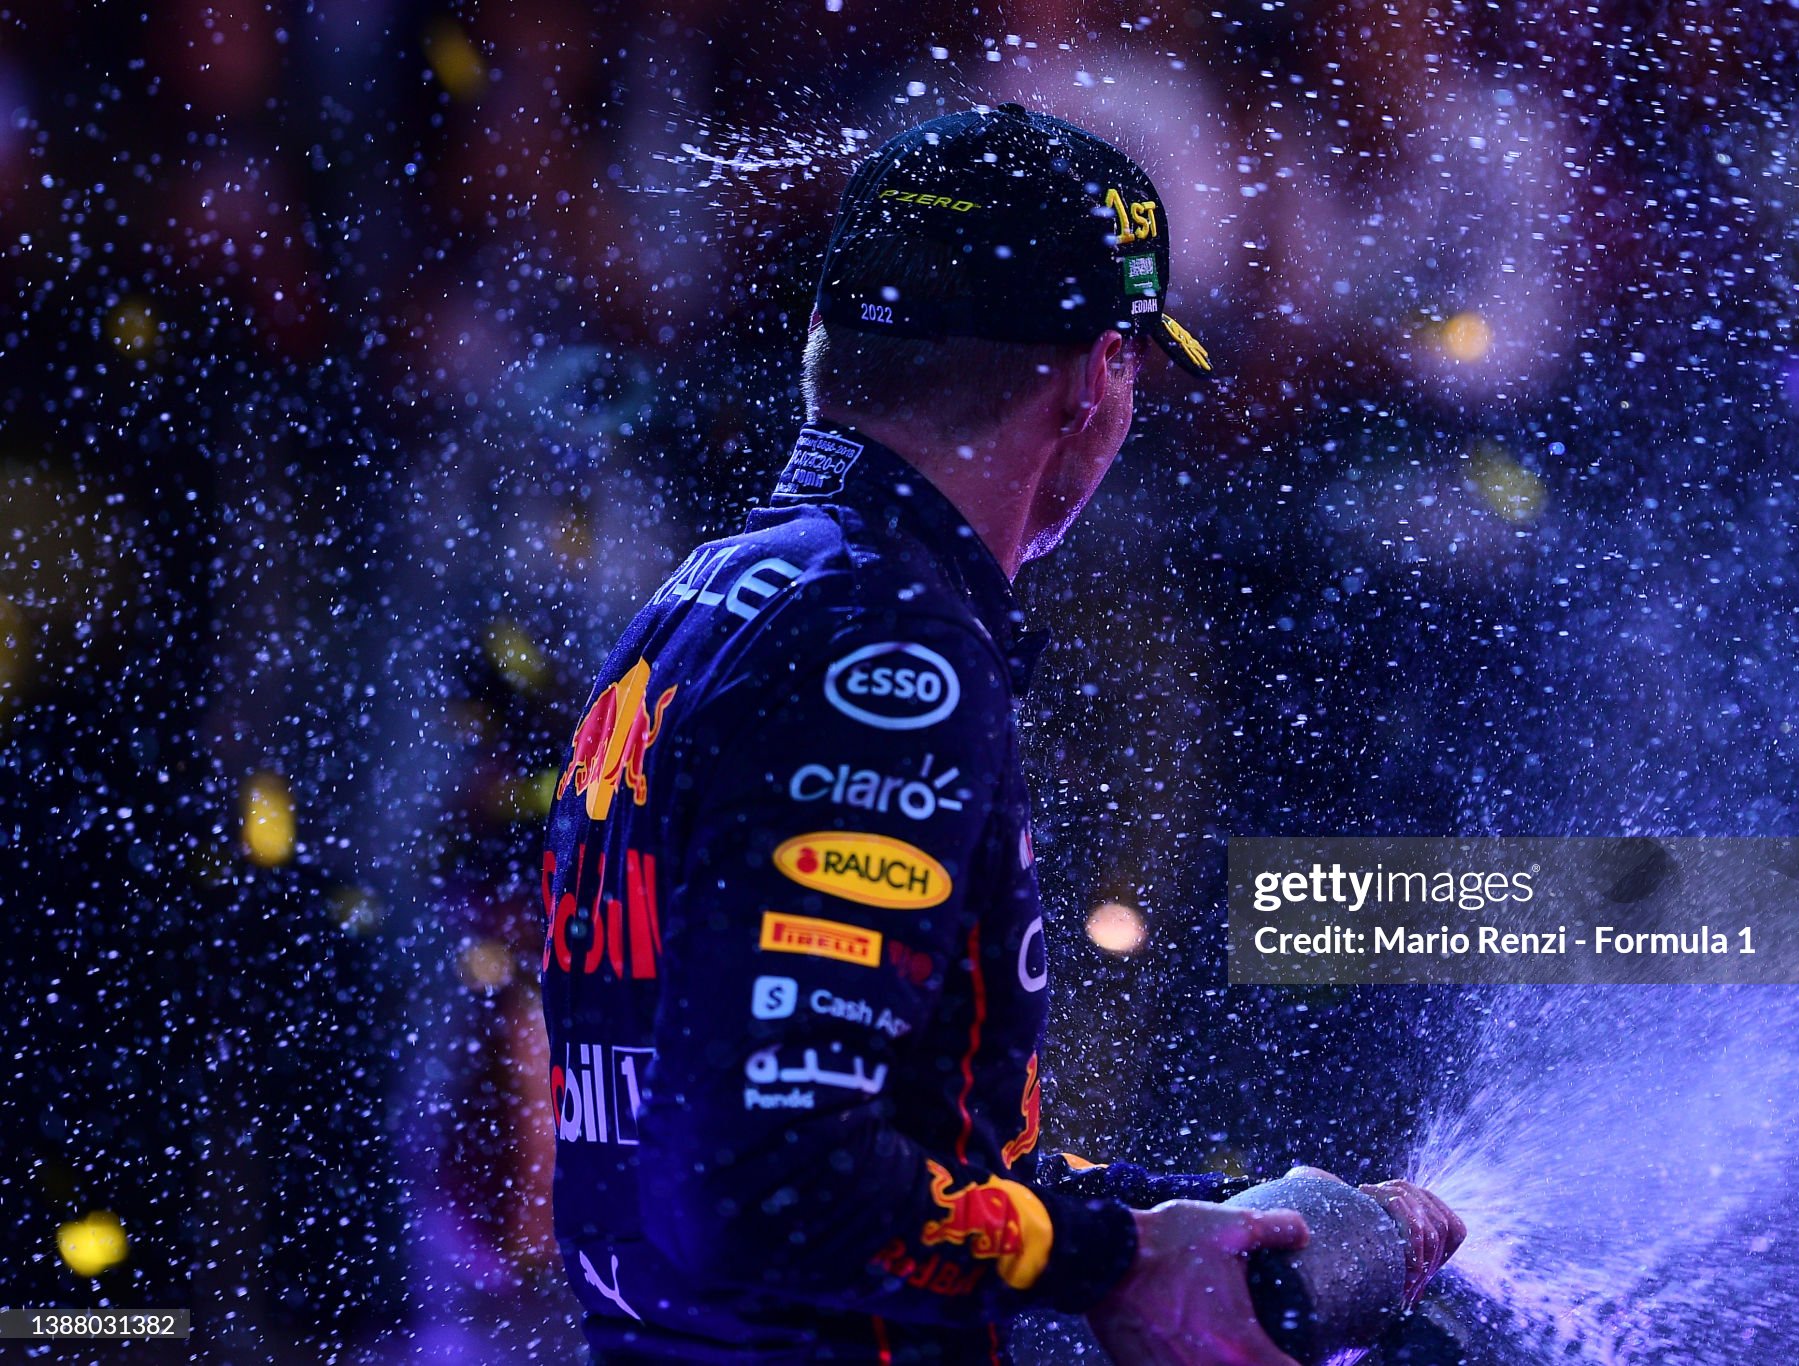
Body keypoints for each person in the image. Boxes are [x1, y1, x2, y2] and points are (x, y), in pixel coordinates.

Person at [538, 102, 1464, 1365]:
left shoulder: (717, 592)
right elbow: (770, 1172)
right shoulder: (884, 644)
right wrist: (1122, 1261)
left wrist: (1188, 1227)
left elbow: (878, 1142)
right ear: (1093, 380)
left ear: (831, 342)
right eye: (1135, 365)